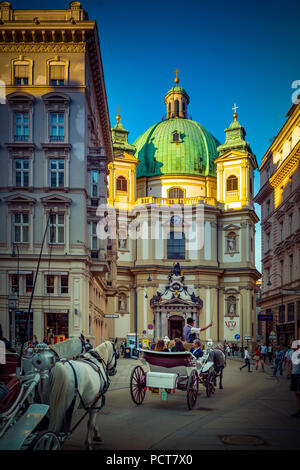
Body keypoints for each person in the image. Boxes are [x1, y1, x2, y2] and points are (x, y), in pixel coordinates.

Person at [290, 340, 300, 417]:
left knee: (298, 392)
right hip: (294, 374)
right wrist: (289, 372)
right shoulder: (291, 353)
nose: (291, 346)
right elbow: (290, 363)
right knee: (296, 393)